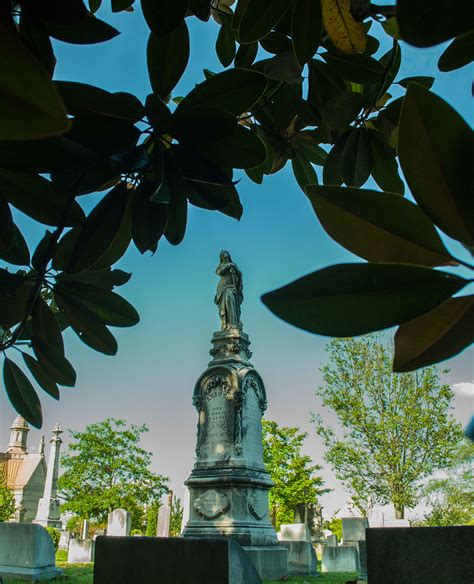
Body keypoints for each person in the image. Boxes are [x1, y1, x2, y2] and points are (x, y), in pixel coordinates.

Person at [214, 250, 243, 330]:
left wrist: (235, 270)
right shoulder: (221, 266)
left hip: (231, 287)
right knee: (225, 305)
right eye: (222, 254)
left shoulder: (234, 265)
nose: (223, 253)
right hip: (222, 288)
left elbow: (240, 274)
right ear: (221, 257)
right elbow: (219, 272)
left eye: (225, 252)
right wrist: (229, 266)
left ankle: (233, 323)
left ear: (228, 254)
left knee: (231, 303)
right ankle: (226, 324)